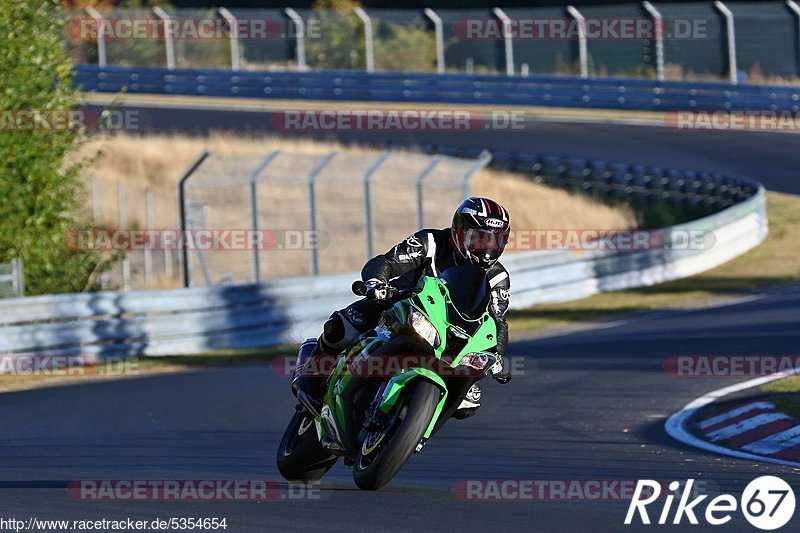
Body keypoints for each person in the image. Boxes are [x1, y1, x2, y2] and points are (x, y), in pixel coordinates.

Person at [294, 197, 512, 419]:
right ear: (459, 230)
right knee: (341, 327)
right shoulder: (431, 241)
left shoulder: (498, 277)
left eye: (494, 241)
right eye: (479, 238)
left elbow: (497, 321)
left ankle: (410, 429)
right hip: (399, 306)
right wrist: (376, 283)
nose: (487, 248)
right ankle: (311, 378)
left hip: (449, 337)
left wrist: (496, 354)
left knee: (467, 403)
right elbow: (388, 262)